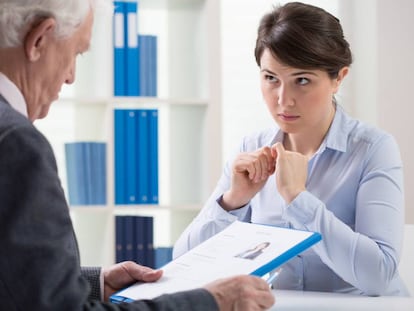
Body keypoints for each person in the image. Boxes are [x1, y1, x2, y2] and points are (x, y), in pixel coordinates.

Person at [0, 0, 275, 310]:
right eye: (76, 53)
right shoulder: (17, 144)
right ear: (39, 40)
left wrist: (95, 284)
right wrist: (212, 302)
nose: (71, 77)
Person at [174, 2, 409, 296]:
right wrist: (233, 200)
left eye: (302, 80)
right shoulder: (252, 147)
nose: (284, 101)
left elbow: (378, 276)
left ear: (339, 78)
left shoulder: (373, 149)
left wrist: (299, 199)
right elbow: (183, 262)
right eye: (271, 78)